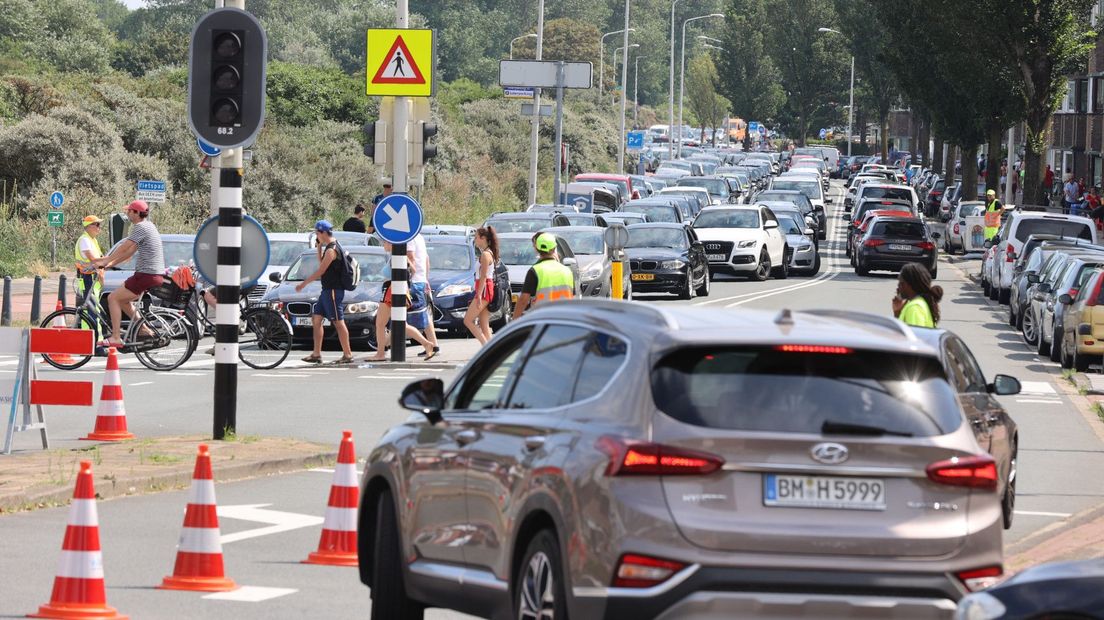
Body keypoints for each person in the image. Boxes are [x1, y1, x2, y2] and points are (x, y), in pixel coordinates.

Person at [91, 200, 163, 348]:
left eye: (129, 211)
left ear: (136, 213)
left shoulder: (140, 227)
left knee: (112, 298)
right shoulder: (149, 226)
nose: (127, 214)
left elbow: (125, 247)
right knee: (123, 301)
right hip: (152, 274)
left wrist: (105, 260)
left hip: (145, 274)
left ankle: (116, 337)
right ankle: (144, 330)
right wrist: (110, 263)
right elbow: (130, 251)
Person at [296, 220, 354, 365]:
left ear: (322, 232)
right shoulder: (329, 246)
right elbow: (322, 263)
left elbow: (321, 271)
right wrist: (318, 247)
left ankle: (348, 354)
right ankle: (316, 354)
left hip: (333, 291)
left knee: (338, 322)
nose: (316, 235)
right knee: (316, 319)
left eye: (317, 232)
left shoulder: (332, 250)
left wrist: (303, 283)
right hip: (326, 290)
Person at [368, 242, 437, 361]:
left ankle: (380, 354)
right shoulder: (401, 257)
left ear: (390, 243)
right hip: (400, 290)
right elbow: (413, 270)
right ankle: (427, 343)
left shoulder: (396, 257)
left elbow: (407, 271)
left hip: (391, 290)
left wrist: (397, 282)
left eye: (384, 242)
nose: (383, 244)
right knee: (401, 324)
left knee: (380, 324)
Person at [512, 233, 574, 320]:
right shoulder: (567, 271)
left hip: (541, 320)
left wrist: (514, 321)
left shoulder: (535, 270)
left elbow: (523, 300)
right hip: (563, 320)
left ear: (536, 249)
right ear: (554, 248)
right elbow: (573, 298)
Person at [464, 227, 499, 344]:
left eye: (476, 237)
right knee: (484, 325)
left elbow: (483, 276)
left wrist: (478, 295)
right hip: (484, 288)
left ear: (483, 238)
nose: (474, 240)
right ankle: (491, 350)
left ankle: (485, 348)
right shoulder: (488, 252)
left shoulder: (485, 254)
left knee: (468, 320)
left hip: (483, 289)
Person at [408, 231, 440, 356]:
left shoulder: (409, 238)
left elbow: (410, 258)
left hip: (413, 282)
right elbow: (426, 259)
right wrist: (426, 279)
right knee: (425, 315)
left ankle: (382, 347)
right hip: (420, 280)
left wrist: (407, 281)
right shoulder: (419, 237)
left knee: (400, 318)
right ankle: (434, 346)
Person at [892, 263, 942, 328]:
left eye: (901, 282)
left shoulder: (914, 307)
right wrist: (897, 313)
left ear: (909, 285)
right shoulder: (920, 303)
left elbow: (914, 336)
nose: (898, 286)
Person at [74, 215, 104, 306]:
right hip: (87, 277)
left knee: (94, 303)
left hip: (93, 276)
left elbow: (100, 257)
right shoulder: (85, 240)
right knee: (91, 305)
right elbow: (94, 260)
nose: (99, 227)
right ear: (89, 226)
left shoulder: (92, 240)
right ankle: (89, 320)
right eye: (97, 224)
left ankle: (92, 320)